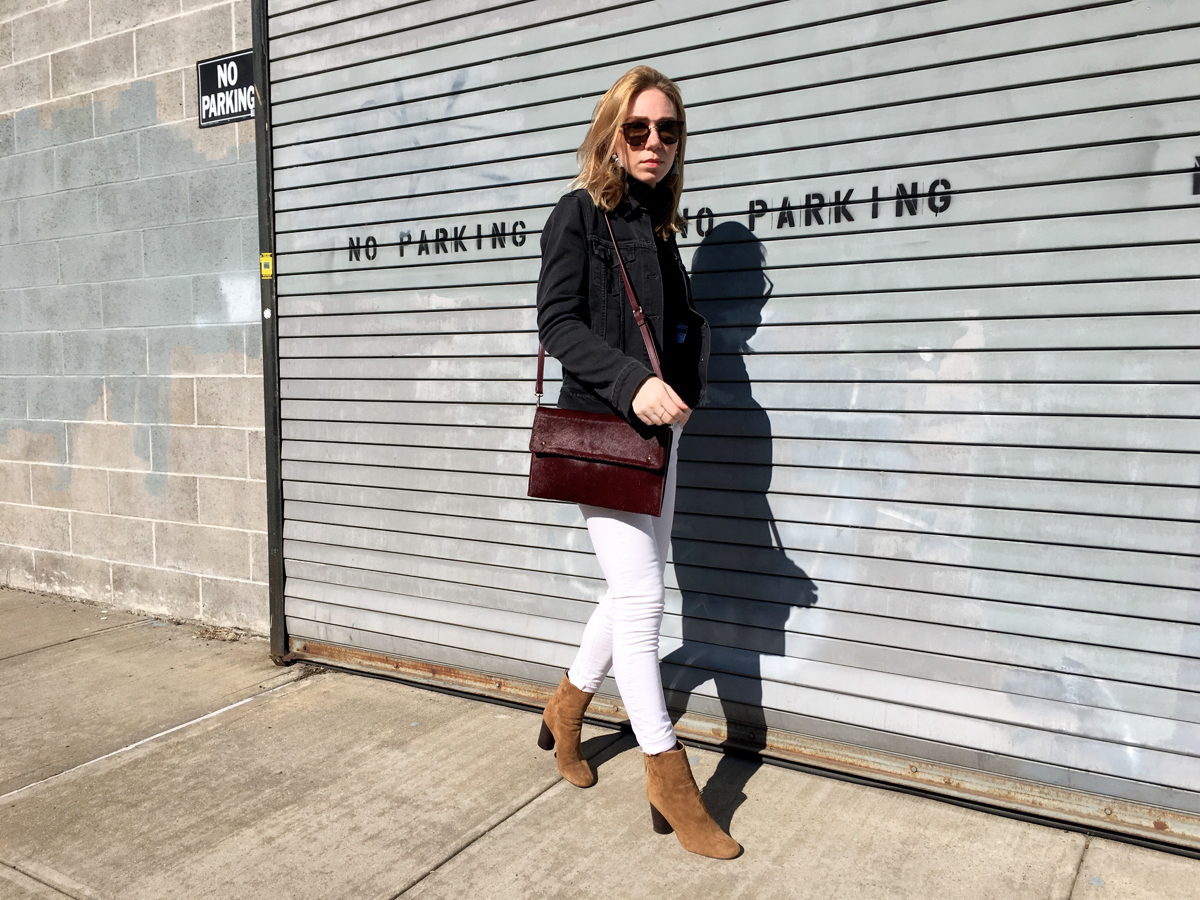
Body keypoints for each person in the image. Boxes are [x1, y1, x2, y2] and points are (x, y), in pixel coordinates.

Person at [534, 65, 740, 860]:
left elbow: (670, 331)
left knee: (628, 592)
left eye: (669, 130)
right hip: (603, 426)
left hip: (662, 431)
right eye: (638, 129)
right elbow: (558, 322)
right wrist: (634, 383)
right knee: (646, 597)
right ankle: (668, 774)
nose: (654, 143)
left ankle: (565, 708)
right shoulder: (579, 214)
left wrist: (683, 387)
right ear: (611, 134)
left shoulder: (659, 227)